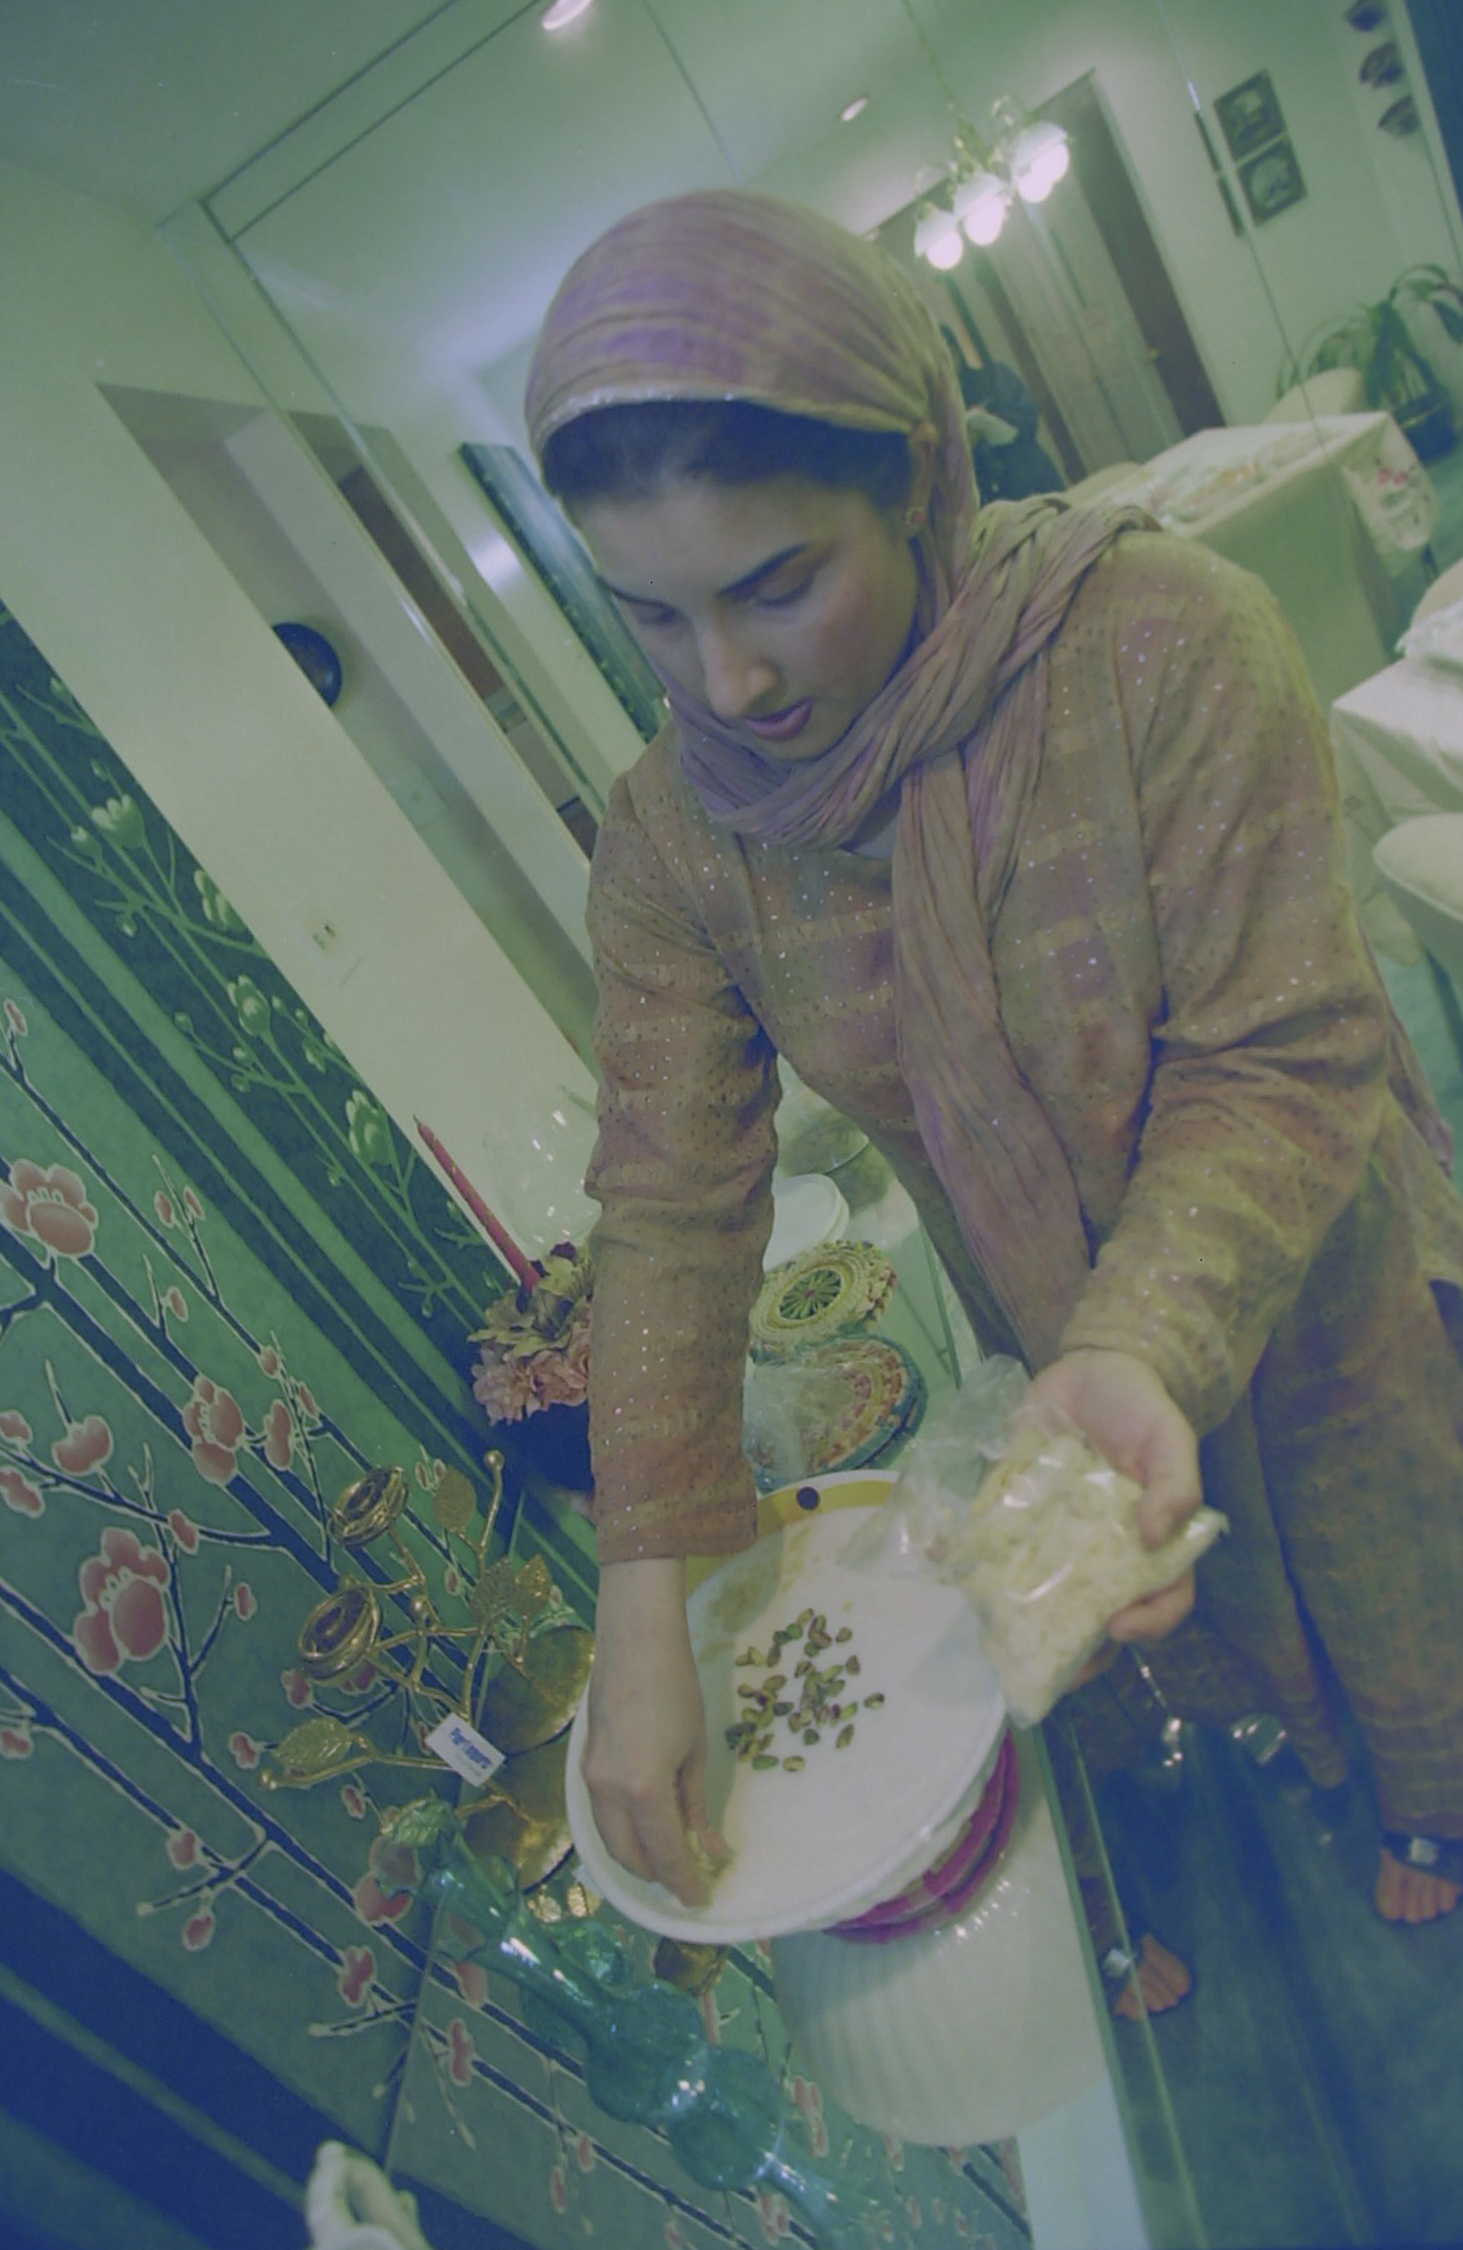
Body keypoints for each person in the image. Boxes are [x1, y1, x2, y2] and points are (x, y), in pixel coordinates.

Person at [523, 190, 1463, 1995]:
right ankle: (1339, 1760)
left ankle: (1432, 1792)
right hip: (1049, 1306)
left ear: (912, 472)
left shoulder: (1161, 640)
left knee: (1386, 1533)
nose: (726, 679)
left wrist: (1140, 1335)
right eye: (650, 614)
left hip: (1294, 1249)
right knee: (1208, 1594)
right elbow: (668, 1203)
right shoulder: (675, 844)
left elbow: (1275, 1047)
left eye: (776, 585)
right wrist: (642, 1599)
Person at [939, 324, 1064, 501]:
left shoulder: (994, 377)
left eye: (948, 353)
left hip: (1029, 473)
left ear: (956, 350)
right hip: (990, 496)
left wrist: (989, 420)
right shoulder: (938, 409)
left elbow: (1027, 417)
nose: (945, 364)